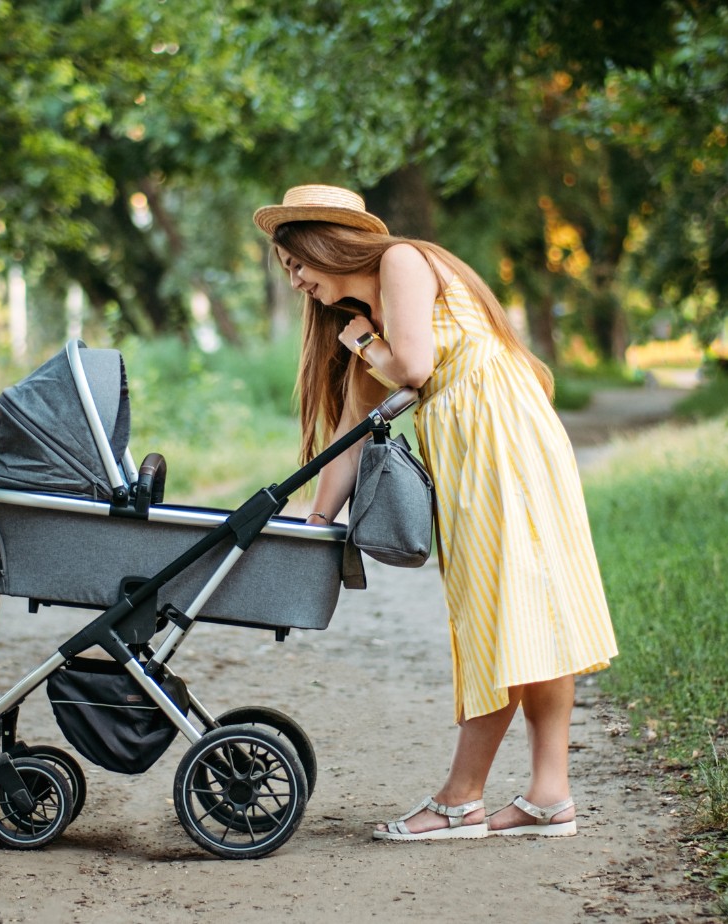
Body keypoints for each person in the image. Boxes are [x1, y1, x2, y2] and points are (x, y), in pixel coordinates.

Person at [252, 184, 620, 840]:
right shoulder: (374, 320)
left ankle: (460, 800)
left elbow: (415, 368)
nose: (296, 279)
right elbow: (351, 433)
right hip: (490, 444)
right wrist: (314, 522)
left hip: (500, 444)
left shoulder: (400, 264)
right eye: (287, 270)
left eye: (296, 262)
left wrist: (366, 342)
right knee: (526, 609)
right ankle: (548, 795)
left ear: (325, 243)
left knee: (502, 612)